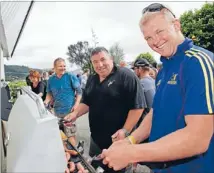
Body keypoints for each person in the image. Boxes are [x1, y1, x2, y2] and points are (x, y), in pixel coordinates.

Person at [101, 3, 214, 173]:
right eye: (148, 38)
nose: (155, 42)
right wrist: (131, 140)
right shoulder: (164, 69)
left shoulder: (197, 62)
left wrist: (131, 153)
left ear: (176, 25)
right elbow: (156, 113)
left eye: (159, 32)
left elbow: (198, 138)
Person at [64, 47, 147, 158]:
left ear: (111, 59)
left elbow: (138, 107)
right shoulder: (92, 79)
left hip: (119, 141)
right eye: (95, 62)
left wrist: (125, 130)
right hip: (95, 140)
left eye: (103, 59)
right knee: (95, 167)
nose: (100, 64)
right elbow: (87, 102)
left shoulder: (126, 76)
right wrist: (75, 114)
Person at [44, 58, 82, 146]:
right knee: (59, 135)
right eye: (60, 66)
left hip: (69, 111)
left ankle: (74, 155)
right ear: (54, 67)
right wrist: (46, 102)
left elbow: (79, 92)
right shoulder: (51, 80)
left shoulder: (70, 76)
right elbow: (49, 93)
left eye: (64, 66)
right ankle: (64, 156)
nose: (63, 68)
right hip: (57, 111)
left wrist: (76, 104)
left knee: (70, 135)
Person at [132, 58, 155, 135]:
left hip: (146, 125)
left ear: (140, 69)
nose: (134, 71)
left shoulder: (141, 84)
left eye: (135, 69)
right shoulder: (153, 81)